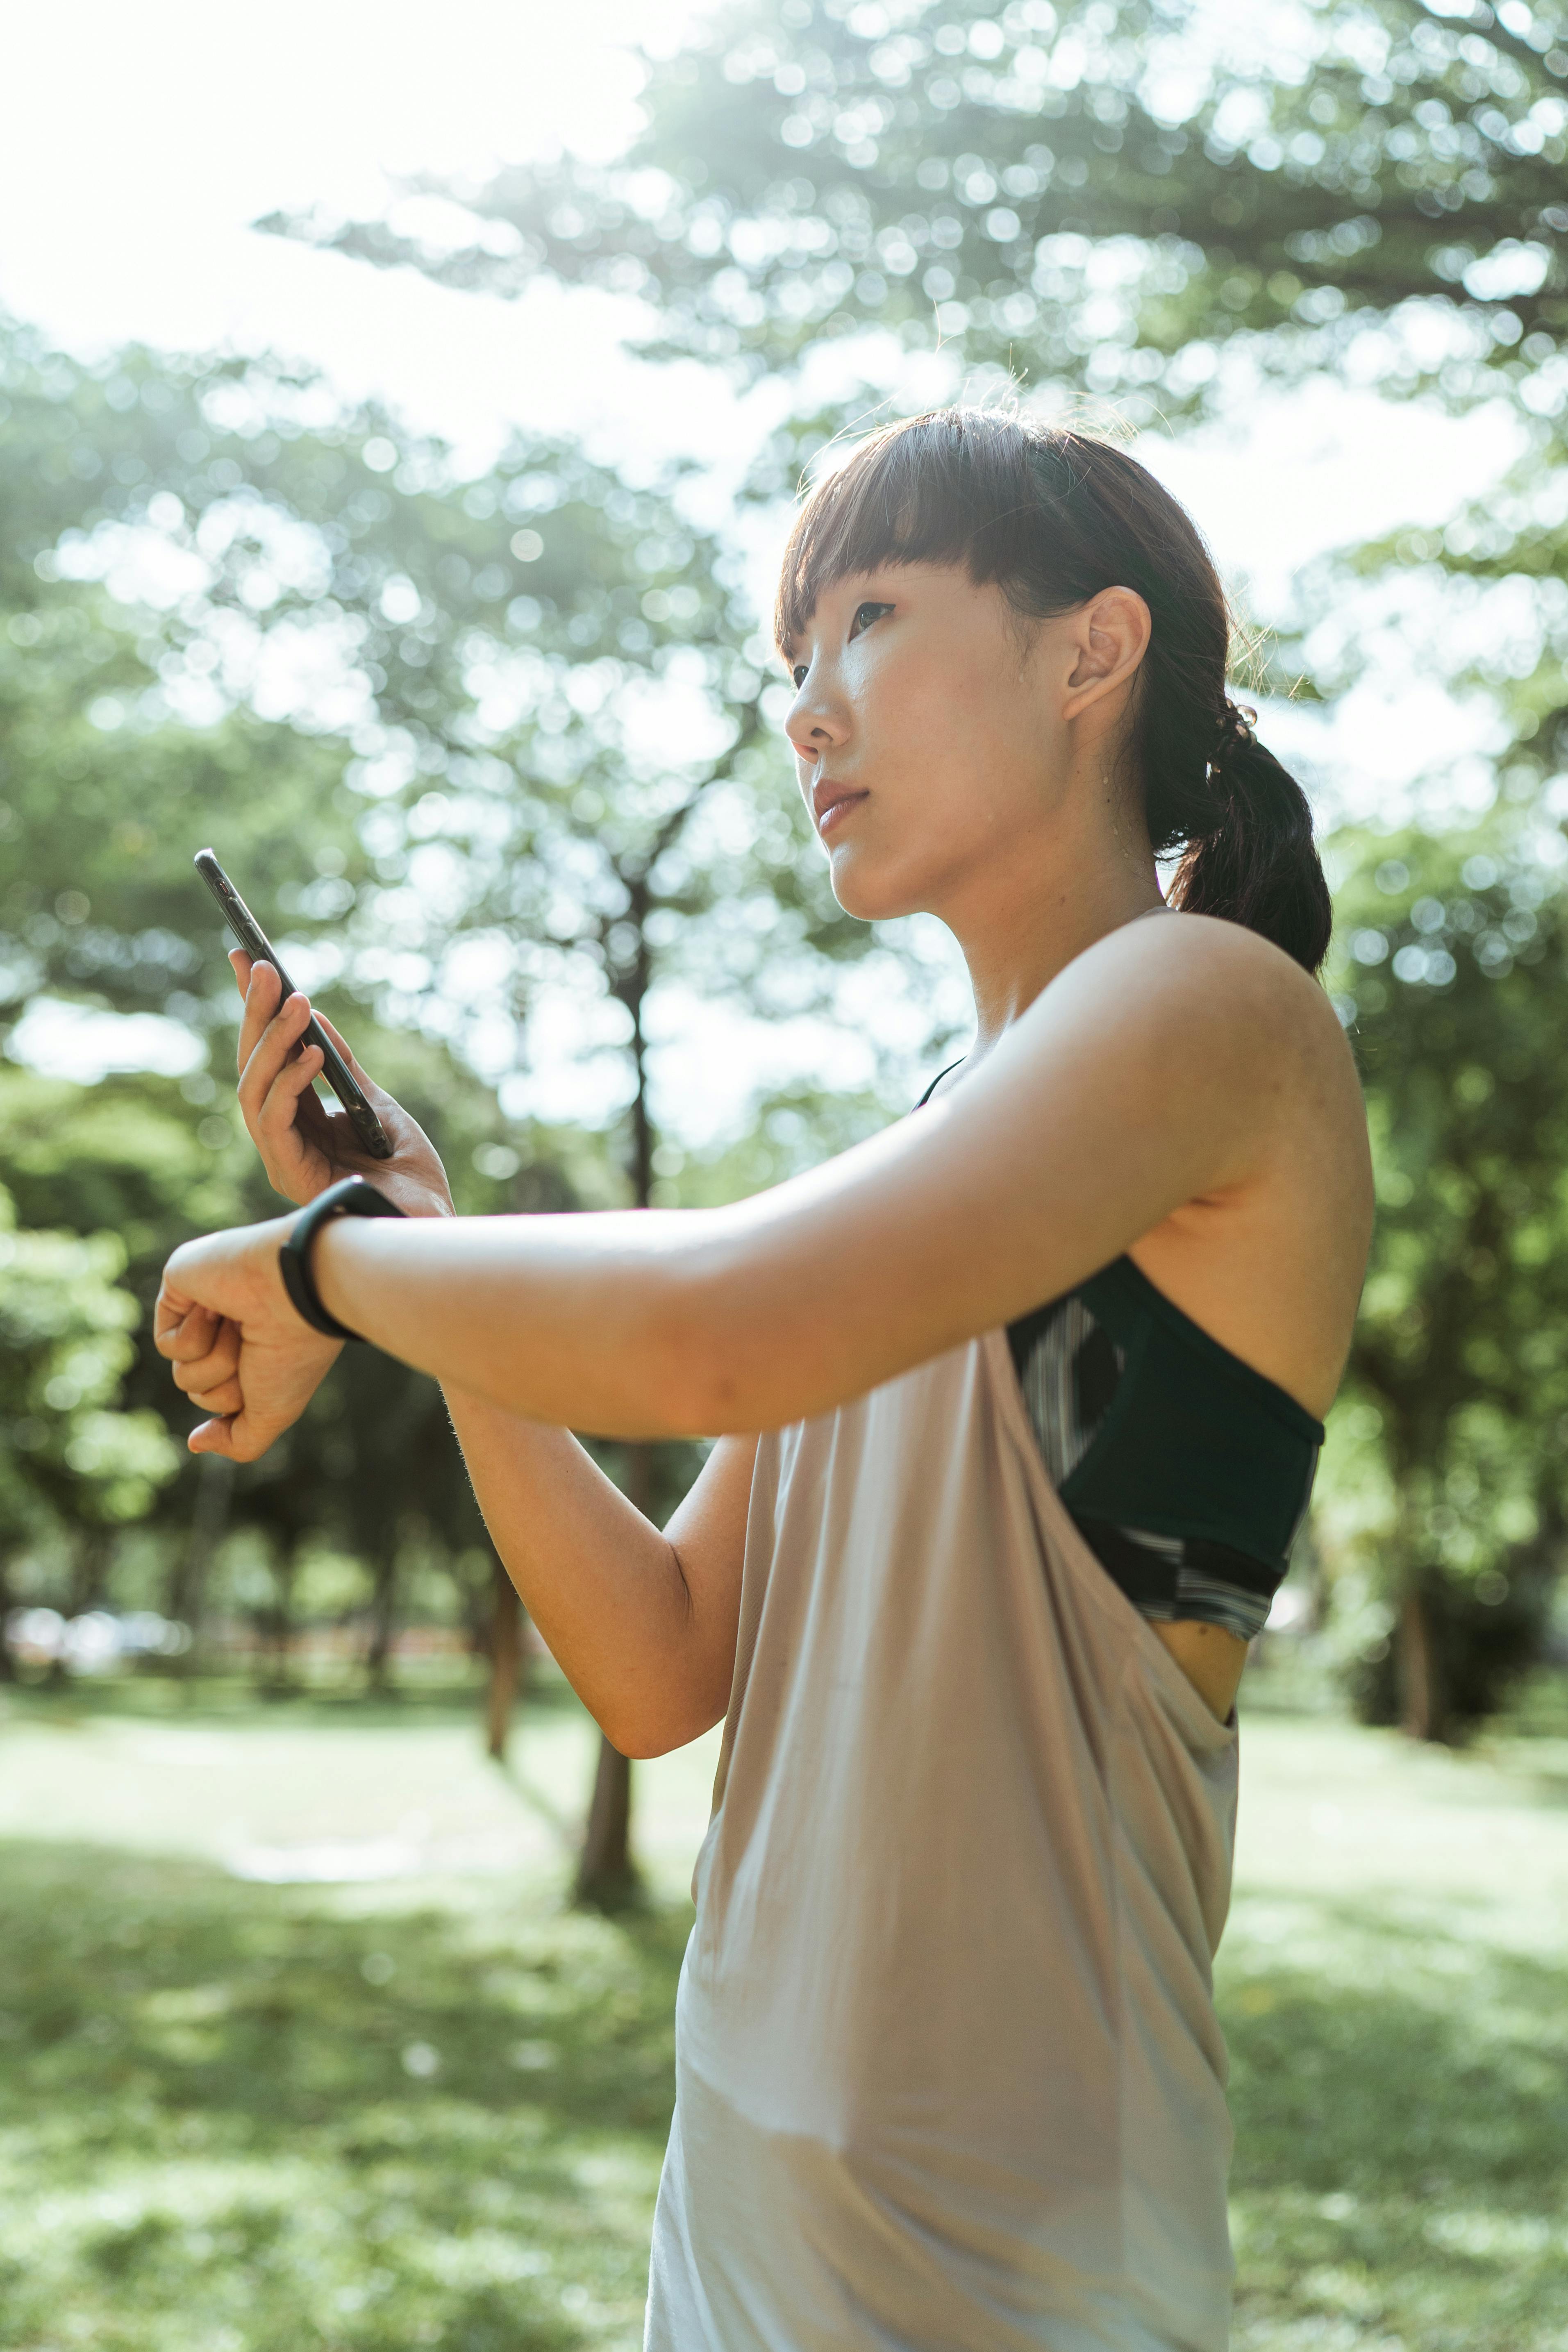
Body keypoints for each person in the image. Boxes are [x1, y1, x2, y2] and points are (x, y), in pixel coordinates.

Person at [156, 407, 1372, 2350]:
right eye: (789, 664)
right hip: (736, 2253)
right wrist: (416, 1227)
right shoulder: (940, 1144)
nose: (808, 712)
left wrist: (337, 1269)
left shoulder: (1211, 1006)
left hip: (1016, 2284)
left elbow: (716, 1328)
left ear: (1093, 648)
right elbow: (661, 1661)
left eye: (870, 617)